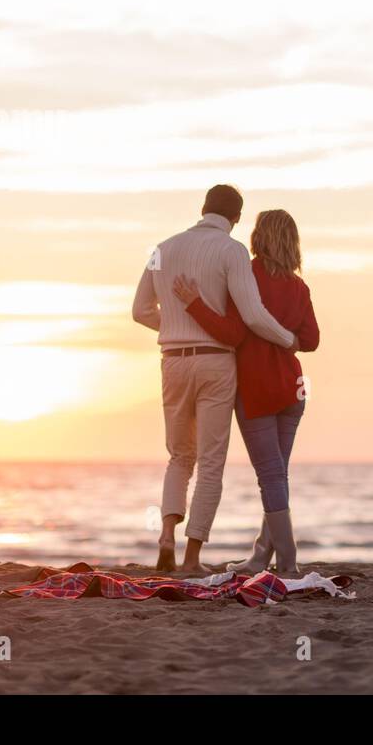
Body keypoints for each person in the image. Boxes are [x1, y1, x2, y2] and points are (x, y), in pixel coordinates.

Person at [132, 184, 300, 575]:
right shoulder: (232, 251)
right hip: (216, 363)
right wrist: (288, 339)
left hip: (172, 360)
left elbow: (141, 311)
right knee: (210, 462)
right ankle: (191, 559)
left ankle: (165, 539)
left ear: (202, 208)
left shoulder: (162, 248)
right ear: (237, 218)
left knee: (178, 456)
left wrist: (175, 324)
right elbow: (253, 316)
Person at [171, 209, 319, 577]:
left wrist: (194, 305)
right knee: (278, 475)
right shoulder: (300, 287)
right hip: (292, 388)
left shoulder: (247, 274)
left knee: (270, 477)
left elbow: (233, 332)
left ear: (258, 238)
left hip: (255, 390)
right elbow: (312, 340)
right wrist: (288, 340)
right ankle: (260, 555)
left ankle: (286, 560)